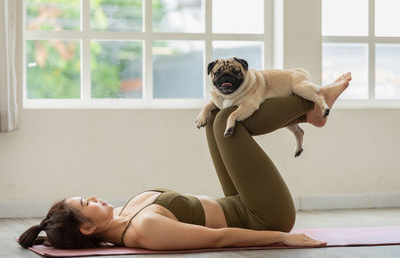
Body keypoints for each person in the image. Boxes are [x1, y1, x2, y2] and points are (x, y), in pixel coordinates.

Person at [18, 73, 352, 250]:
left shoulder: (124, 214)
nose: (91, 196)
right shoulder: (143, 232)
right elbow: (219, 240)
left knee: (219, 117)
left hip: (238, 201)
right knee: (225, 122)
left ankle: (310, 112)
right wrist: (280, 236)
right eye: (85, 203)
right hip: (262, 217)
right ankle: (311, 107)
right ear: (88, 227)